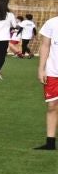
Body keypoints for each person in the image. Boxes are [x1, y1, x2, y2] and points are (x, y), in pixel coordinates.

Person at [37, 10, 58, 149]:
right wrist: (41, 68)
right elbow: (45, 46)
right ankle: (50, 143)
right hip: (52, 71)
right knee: (52, 106)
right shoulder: (51, 23)